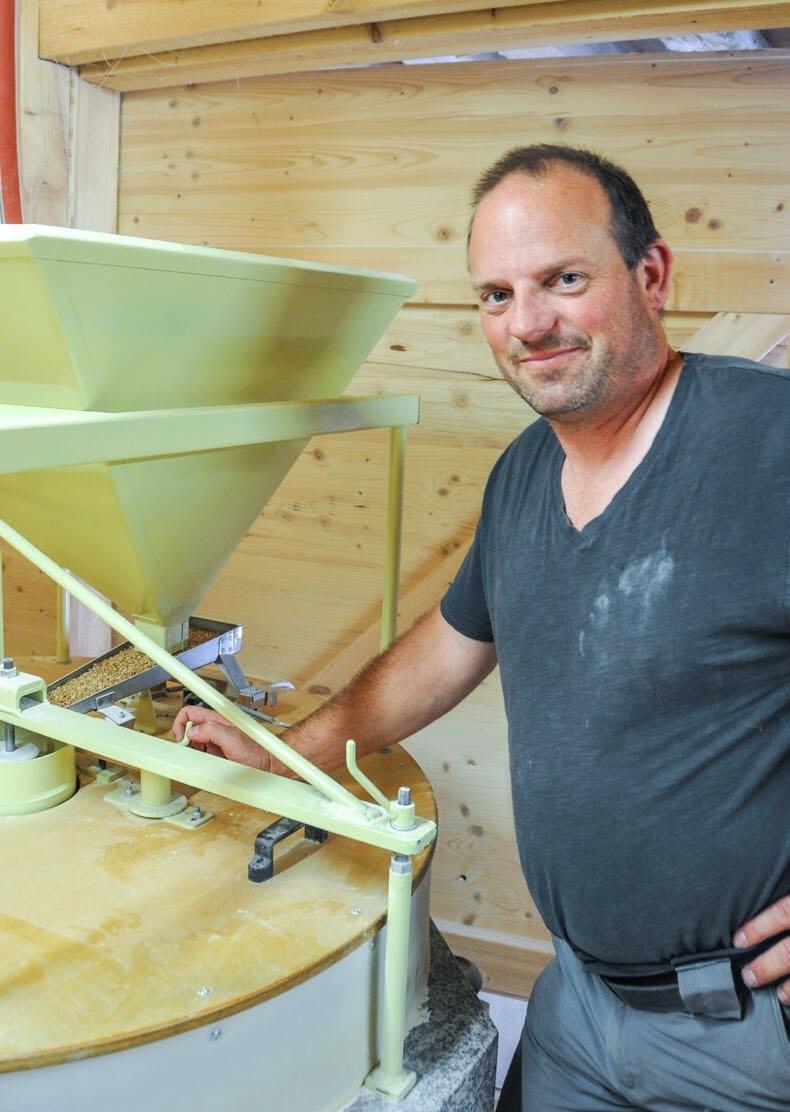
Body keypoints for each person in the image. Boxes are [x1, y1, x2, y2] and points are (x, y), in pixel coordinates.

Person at [174, 145, 789, 1109]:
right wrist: (287, 756)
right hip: (581, 1003)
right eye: (496, 295)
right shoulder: (522, 475)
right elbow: (448, 648)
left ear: (653, 275)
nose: (529, 323)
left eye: (564, 280)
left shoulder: (768, 440)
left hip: (753, 1034)